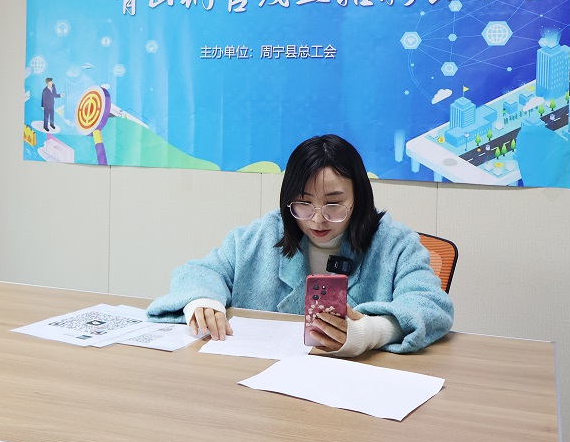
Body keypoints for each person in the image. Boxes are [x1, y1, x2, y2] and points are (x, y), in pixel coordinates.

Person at [147, 134, 454, 356]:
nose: (317, 219)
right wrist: (203, 301)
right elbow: (200, 271)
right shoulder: (264, 234)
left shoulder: (394, 243)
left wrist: (372, 332)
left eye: (334, 204)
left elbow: (430, 304)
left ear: (358, 198)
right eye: (304, 204)